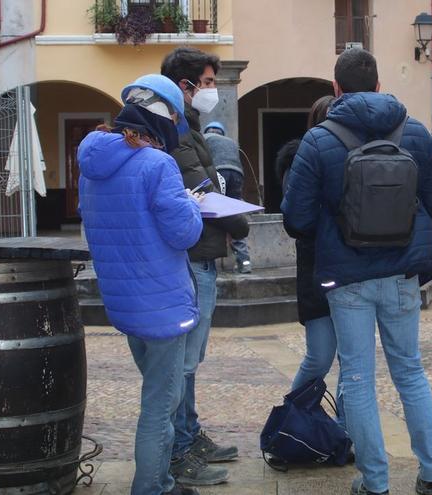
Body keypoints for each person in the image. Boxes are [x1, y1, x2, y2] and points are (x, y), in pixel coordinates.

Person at [281, 48, 432, 495]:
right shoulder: (414, 132)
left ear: (335, 89)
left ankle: (375, 482)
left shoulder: (318, 140)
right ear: (379, 86)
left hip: (347, 278)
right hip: (403, 275)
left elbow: (295, 220)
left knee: (356, 376)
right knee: (410, 372)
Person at [78, 74, 203, 495]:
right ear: (163, 118)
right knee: (159, 408)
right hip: (163, 304)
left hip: (126, 302)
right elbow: (184, 234)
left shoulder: (91, 166)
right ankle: (152, 488)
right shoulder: (158, 164)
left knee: (156, 396)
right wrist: (191, 203)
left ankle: (162, 480)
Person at [161, 47, 249, 486]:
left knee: (189, 362)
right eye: (209, 83)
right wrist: (241, 222)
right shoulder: (177, 133)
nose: (212, 91)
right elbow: (202, 189)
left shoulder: (186, 127)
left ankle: (189, 435)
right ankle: (180, 452)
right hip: (194, 258)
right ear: (186, 87)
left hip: (202, 254)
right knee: (184, 363)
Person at [276, 95, 342, 395]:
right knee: (319, 356)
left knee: (353, 362)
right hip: (316, 271)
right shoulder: (298, 161)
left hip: (350, 270)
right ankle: (292, 421)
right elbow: (296, 218)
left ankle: (346, 428)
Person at [203, 121, 252, 274]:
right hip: (237, 174)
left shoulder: (204, 138)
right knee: (233, 215)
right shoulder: (230, 142)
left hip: (218, 173)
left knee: (214, 213)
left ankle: (211, 260)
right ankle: (245, 261)